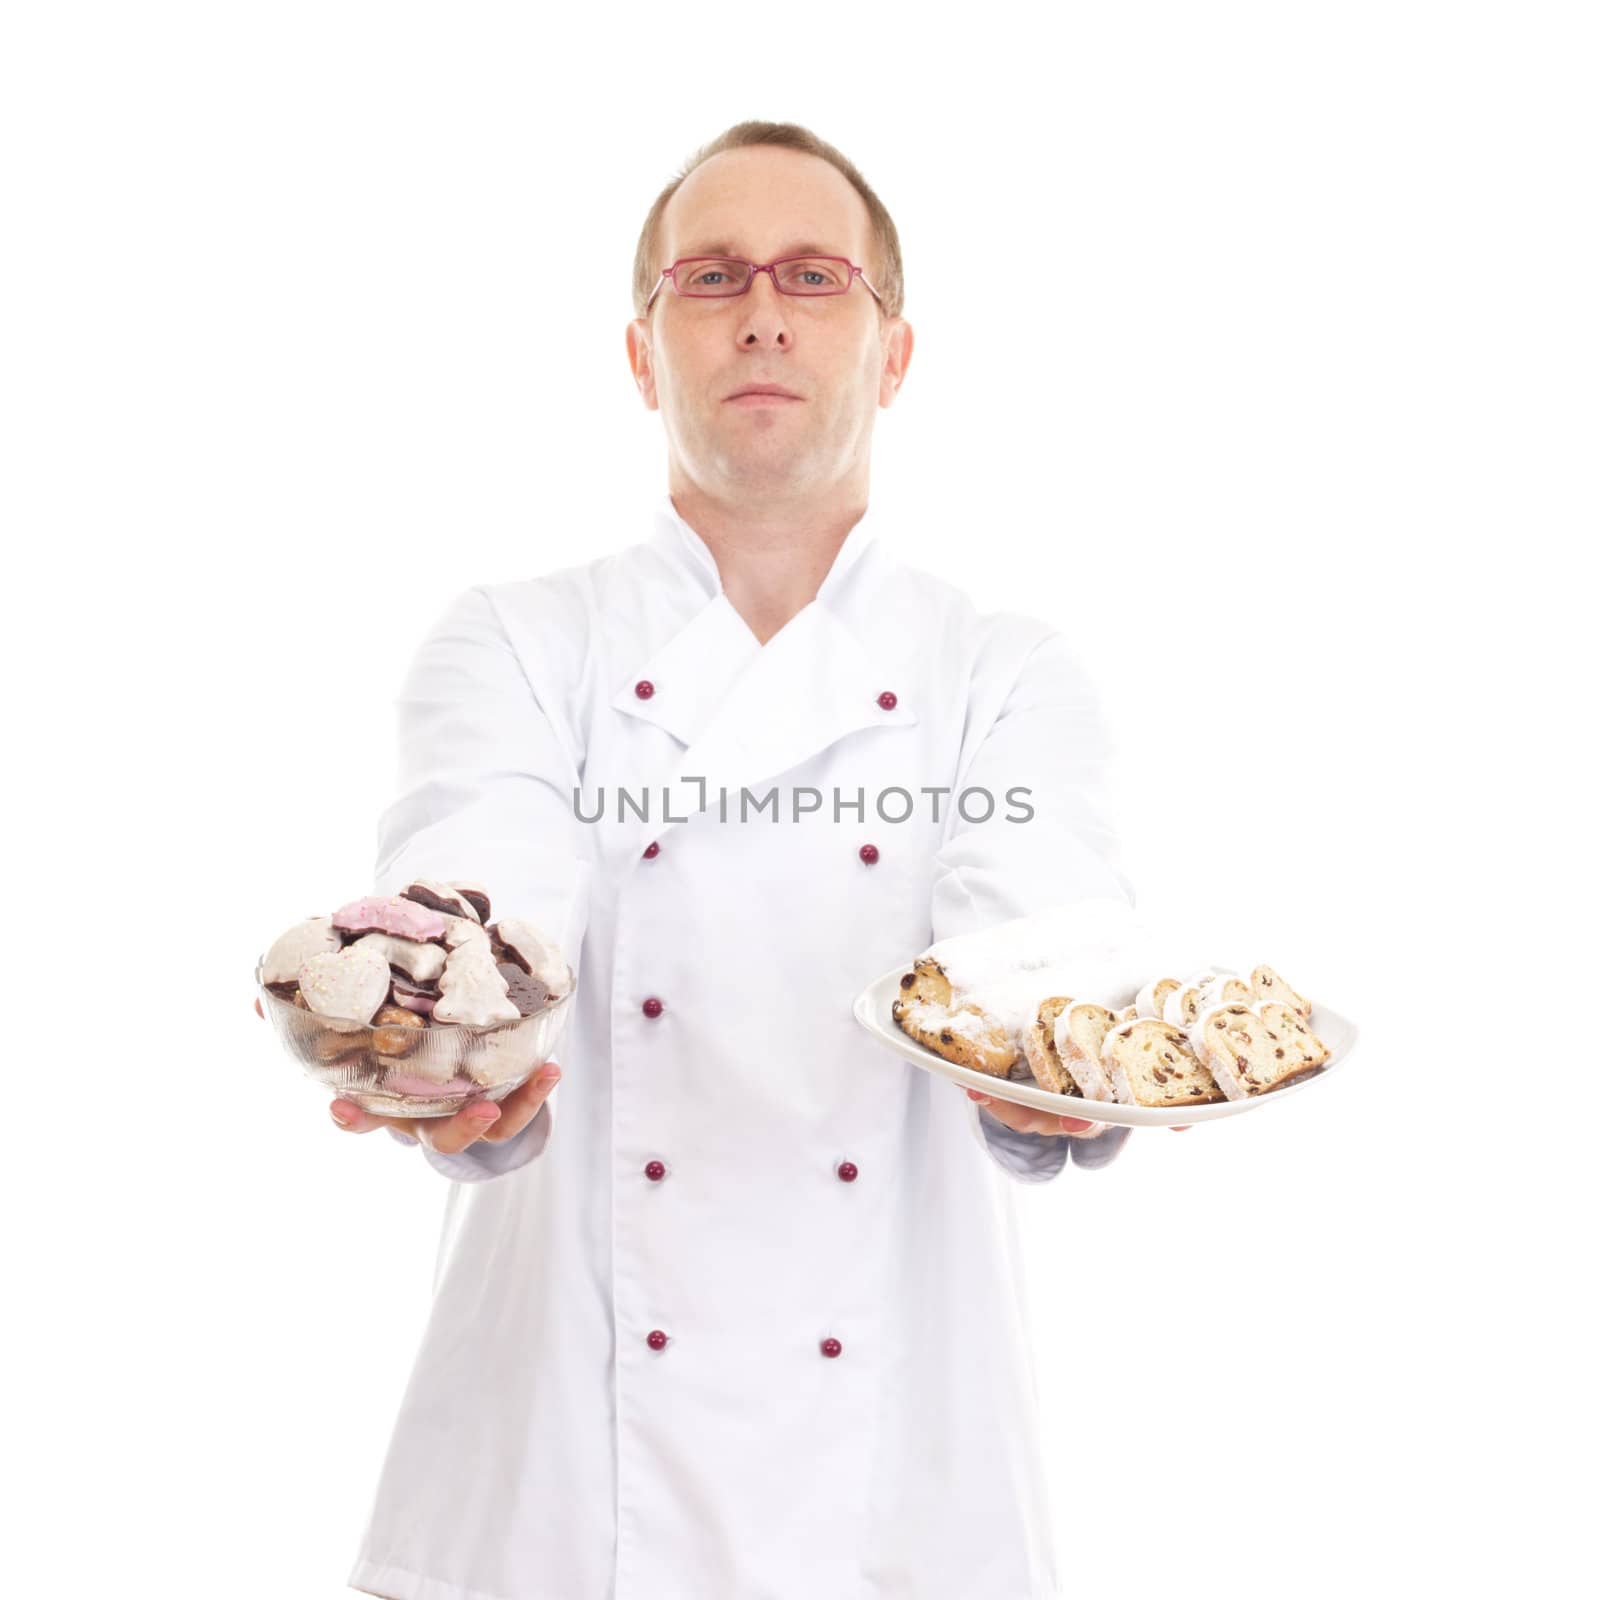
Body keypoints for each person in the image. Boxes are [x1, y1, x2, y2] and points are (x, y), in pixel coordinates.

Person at [290, 120, 1186, 1600]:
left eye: (813, 276)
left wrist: (1050, 1088)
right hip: (554, 1492)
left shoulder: (1005, 674)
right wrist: (455, 1064)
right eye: (709, 278)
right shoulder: (518, 640)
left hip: (897, 1489)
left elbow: (1036, 937)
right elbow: (493, 892)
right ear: (642, 352)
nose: (762, 310)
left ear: (893, 352)